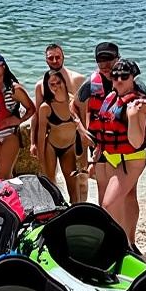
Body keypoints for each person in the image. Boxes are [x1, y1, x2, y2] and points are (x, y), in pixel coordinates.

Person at [94, 59, 146, 242]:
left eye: (124, 76)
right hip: (111, 156)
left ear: (133, 78)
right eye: (115, 76)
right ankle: (129, 241)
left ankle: (120, 243)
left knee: (109, 204)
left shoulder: (138, 104)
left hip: (130, 160)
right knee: (125, 199)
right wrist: (99, 149)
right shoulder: (111, 98)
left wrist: (133, 115)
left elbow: (136, 142)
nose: (119, 80)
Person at [77, 42, 146, 204]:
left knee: (129, 193)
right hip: (100, 144)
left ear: (118, 59)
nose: (105, 65)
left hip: (128, 146)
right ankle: (106, 218)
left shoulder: (135, 85)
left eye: (109, 59)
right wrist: (82, 130)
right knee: (104, 190)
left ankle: (124, 222)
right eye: (100, 60)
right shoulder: (91, 84)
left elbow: (144, 113)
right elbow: (73, 106)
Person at [35, 68, 93, 202]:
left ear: (64, 82)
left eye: (58, 82)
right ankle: (55, 209)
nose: (56, 86)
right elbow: (41, 134)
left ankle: (75, 210)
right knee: (50, 183)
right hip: (51, 147)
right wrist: (41, 158)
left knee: (73, 185)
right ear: (48, 87)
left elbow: (82, 124)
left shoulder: (72, 101)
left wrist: (85, 148)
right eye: (52, 84)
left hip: (69, 147)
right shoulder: (46, 107)